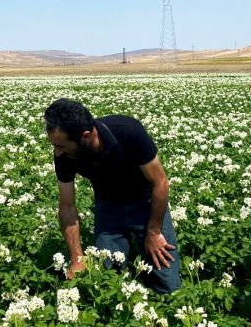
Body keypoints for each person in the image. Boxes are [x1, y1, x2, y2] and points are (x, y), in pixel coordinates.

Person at [44, 98, 180, 294]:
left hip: (145, 202)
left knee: (168, 282)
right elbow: (67, 206)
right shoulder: (63, 155)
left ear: (86, 136)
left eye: (61, 145)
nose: (56, 151)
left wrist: (153, 232)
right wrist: (77, 259)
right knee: (106, 276)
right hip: (108, 205)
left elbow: (160, 182)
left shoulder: (128, 131)